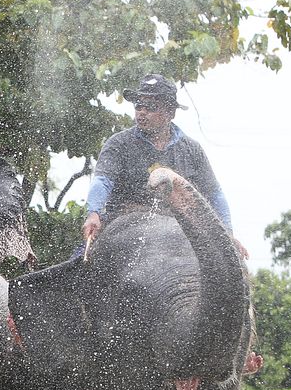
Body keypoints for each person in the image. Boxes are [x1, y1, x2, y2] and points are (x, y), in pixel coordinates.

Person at [81, 74, 248, 260]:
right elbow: (102, 181)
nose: (141, 112)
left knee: (228, 268)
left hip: (179, 228)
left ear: (170, 113)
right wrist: (93, 212)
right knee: (82, 264)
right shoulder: (119, 144)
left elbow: (214, 194)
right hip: (123, 222)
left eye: (151, 107)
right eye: (138, 106)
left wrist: (227, 233)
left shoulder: (191, 150)